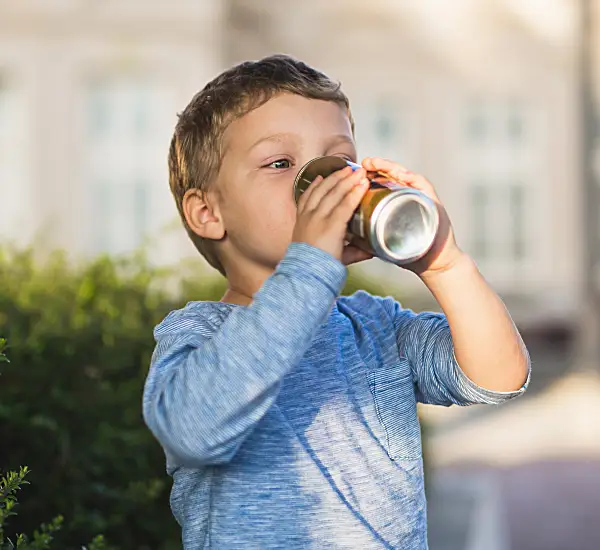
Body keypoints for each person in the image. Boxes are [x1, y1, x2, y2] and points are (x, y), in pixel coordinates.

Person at [142, 54, 530, 549]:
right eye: (280, 164)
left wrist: (444, 264)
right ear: (207, 212)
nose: (321, 183)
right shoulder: (198, 335)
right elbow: (192, 430)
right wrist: (308, 266)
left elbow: (498, 378)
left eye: (339, 163)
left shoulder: (375, 326)